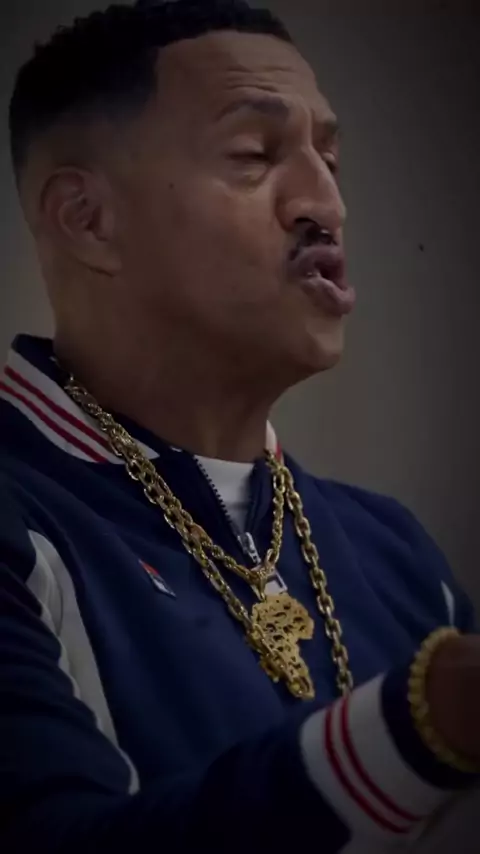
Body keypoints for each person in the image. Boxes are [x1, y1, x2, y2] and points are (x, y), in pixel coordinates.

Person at [1, 0, 479, 851]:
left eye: (330, 158)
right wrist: (421, 727)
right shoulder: (22, 520)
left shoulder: (397, 553)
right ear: (87, 219)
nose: (325, 202)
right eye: (255, 155)